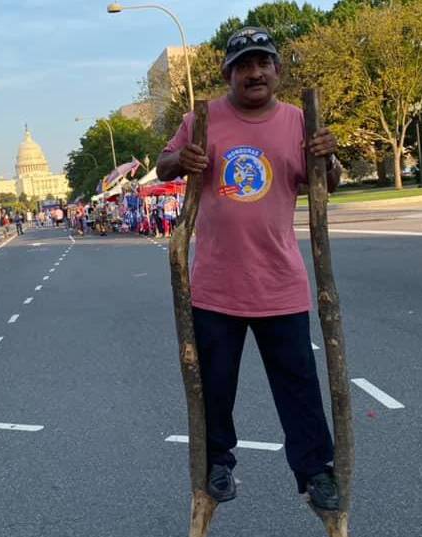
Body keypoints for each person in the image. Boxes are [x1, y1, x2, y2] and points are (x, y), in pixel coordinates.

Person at [156, 27, 344, 511]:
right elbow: (162, 166)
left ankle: (315, 470)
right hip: (216, 287)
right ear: (228, 75)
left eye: (263, 63)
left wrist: (330, 160)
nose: (254, 73)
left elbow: (327, 183)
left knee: (298, 386)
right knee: (214, 387)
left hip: (280, 284)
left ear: (277, 71)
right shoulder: (201, 119)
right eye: (243, 66)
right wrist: (181, 158)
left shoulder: (299, 120)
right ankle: (216, 463)